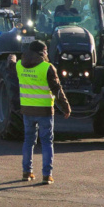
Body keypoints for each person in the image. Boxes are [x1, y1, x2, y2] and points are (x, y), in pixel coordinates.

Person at [17, 40, 71, 184]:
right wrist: (66, 107)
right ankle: (47, 175)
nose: (47, 53)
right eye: (46, 50)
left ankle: (26, 172)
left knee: (28, 142)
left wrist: (10, 57)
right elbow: (57, 91)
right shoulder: (47, 68)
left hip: (27, 111)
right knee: (47, 143)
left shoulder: (19, 66)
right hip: (45, 112)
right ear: (42, 52)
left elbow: (10, 63)